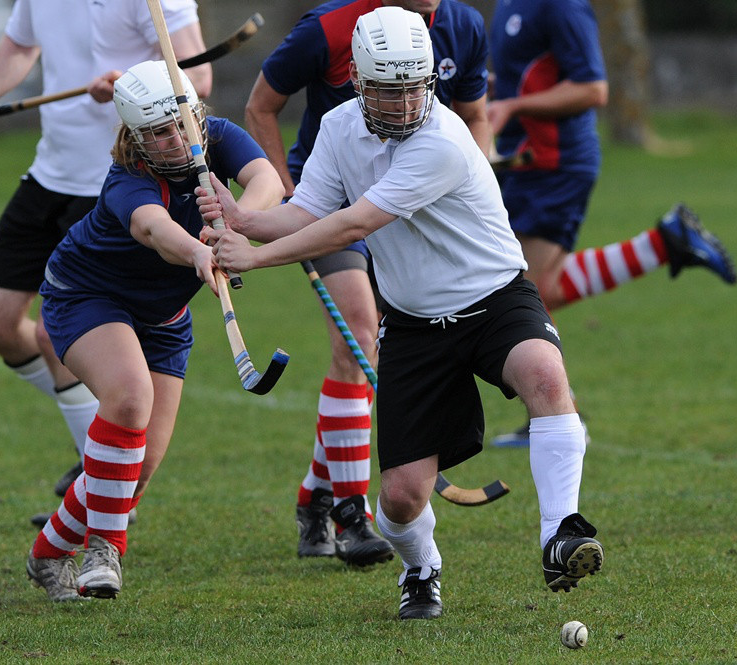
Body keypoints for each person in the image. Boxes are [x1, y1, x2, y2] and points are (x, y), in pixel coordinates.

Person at [200, 6, 603, 619]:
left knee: (546, 378)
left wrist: (253, 259)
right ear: (359, 82)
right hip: (414, 325)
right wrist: (243, 220)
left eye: (416, 87)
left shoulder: (441, 140)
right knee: (399, 501)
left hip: (495, 296)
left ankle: (561, 533)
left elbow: (354, 223)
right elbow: (310, 208)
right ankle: (422, 568)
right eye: (389, 91)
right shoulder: (338, 130)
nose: (405, 102)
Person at [25, 60, 284, 602]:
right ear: (135, 137)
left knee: (136, 467)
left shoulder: (213, 136)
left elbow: (269, 181)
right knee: (129, 399)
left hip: (163, 319)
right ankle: (105, 550)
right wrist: (200, 251)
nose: (175, 137)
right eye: (159, 132)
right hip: (87, 296)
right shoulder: (128, 178)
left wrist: (234, 217)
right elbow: (155, 229)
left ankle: (49, 553)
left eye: (182, 122)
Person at [244, 0, 491, 567]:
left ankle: (316, 495)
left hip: (415, 207)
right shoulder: (328, 27)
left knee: (359, 354)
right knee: (359, 332)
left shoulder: (465, 25)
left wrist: (469, 184)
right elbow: (261, 106)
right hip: (334, 204)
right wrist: (284, 196)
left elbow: (476, 114)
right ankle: (351, 512)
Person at [0, 0, 212, 502]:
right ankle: (113, 441)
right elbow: (21, 44)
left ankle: (106, 489)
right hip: (51, 174)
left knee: (54, 332)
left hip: (116, 188)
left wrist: (127, 85)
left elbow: (198, 78)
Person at [486, 0, 737, 446]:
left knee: (522, 292)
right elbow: (522, 75)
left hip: (557, 163)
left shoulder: (562, 5)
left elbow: (593, 89)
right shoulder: (508, 4)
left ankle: (559, 415)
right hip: (522, 162)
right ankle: (663, 243)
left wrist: (513, 105)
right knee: (533, 289)